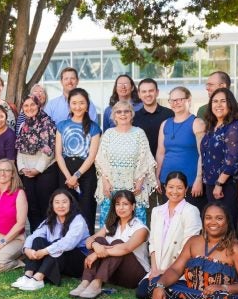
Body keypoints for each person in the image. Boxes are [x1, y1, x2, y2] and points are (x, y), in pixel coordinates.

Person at [70, 190, 148, 299]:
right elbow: (88, 241)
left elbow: (125, 248)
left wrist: (97, 254)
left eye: (125, 204)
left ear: (133, 206)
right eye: (118, 204)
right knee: (99, 241)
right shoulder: (111, 225)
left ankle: (96, 284)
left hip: (134, 275)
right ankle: (85, 282)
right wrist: (95, 245)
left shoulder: (141, 228)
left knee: (118, 243)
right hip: (113, 274)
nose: (121, 208)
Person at [94, 99, 157, 227]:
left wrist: (140, 182)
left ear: (131, 114)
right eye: (119, 112)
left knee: (135, 225)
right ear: (114, 115)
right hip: (111, 185)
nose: (123, 114)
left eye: (126, 111)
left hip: (134, 187)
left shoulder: (139, 133)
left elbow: (145, 159)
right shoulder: (108, 134)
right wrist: (105, 182)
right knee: (109, 225)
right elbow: (101, 160)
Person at [140, 172, 203, 299]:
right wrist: (155, 269)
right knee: (141, 292)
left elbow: (188, 247)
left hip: (178, 269)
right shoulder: (156, 211)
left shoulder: (191, 211)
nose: (174, 191)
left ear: (186, 189)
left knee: (156, 290)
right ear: (165, 188)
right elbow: (152, 243)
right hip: (157, 267)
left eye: (179, 188)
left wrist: (166, 271)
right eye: (171, 187)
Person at [12, 188, 89, 291]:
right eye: (57, 202)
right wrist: (27, 249)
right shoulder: (50, 220)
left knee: (58, 244)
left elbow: (68, 243)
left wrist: (45, 251)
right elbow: (34, 235)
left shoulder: (78, 220)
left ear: (71, 203)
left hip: (77, 262)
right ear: (52, 205)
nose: (61, 206)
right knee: (38, 240)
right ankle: (28, 275)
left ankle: (38, 278)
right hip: (58, 260)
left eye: (64, 202)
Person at [54, 88, 101, 232]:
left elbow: (92, 156)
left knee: (87, 209)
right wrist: (69, 177)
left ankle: (86, 244)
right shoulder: (62, 125)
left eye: (81, 103)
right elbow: (58, 154)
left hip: (86, 172)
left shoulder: (94, 127)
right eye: (74, 103)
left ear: (87, 105)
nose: (78, 106)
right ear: (69, 105)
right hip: (65, 171)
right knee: (66, 210)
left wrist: (77, 176)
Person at [200, 88, 238, 235]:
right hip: (211, 185)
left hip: (226, 186)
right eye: (215, 101)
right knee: (214, 228)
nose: (218, 105)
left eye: (223, 101)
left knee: (226, 226)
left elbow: (233, 160)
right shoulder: (212, 127)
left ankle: (230, 258)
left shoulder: (234, 126)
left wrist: (219, 184)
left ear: (230, 104)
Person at [155, 86, 206, 210]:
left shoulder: (197, 123)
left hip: (190, 182)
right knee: (169, 220)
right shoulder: (165, 124)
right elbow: (161, 153)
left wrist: (199, 180)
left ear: (189, 100)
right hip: (167, 182)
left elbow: (203, 155)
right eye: (172, 100)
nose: (175, 103)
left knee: (191, 220)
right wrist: (156, 177)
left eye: (179, 99)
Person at [16, 94, 58, 230]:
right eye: (26, 105)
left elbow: (49, 151)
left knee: (46, 207)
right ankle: (35, 238)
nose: (29, 108)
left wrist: (37, 169)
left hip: (45, 171)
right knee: (32, 208)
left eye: (32, 105)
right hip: (27, 172)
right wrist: (22, 168)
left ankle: (48, 239)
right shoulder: (23, 125)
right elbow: (19, 149)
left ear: (39, 105)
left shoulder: (48, 123)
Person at [132, 78, 173, 159]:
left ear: (157, 92)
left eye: (151, 91)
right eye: (144, 91)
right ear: (139, 94)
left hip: (166, 163)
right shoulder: (133, 118)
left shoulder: (170, 114)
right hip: (142, 165)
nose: (148, 94)